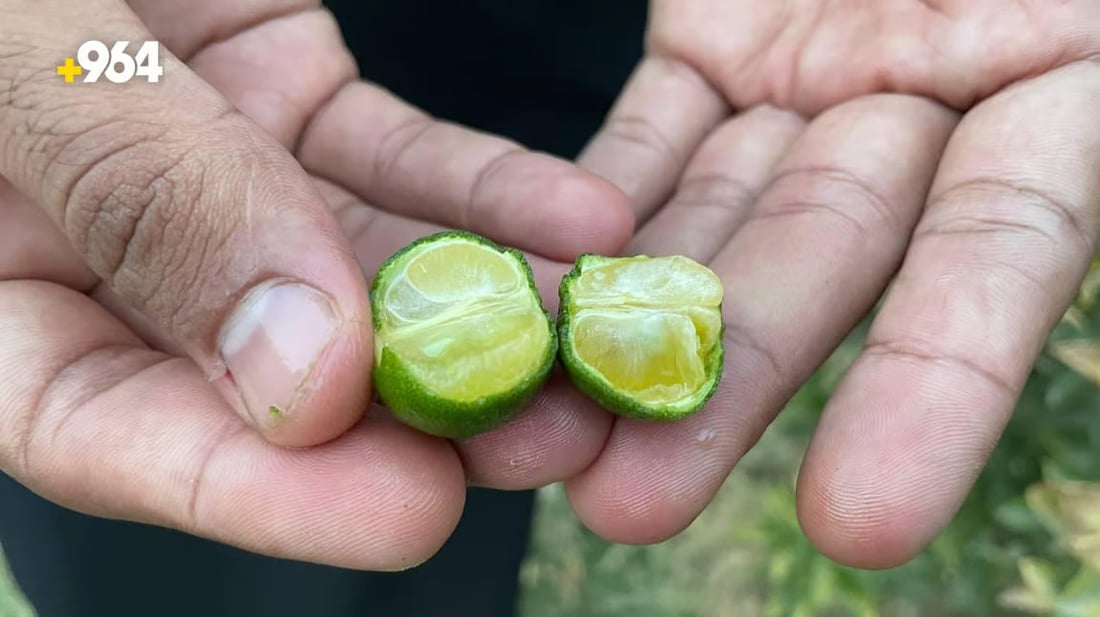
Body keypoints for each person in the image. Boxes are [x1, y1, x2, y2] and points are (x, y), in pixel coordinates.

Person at [2, 0, 1098, 615]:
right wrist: (60, 79)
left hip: (630, 41)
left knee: (443, 503)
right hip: (143, 40)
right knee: (219, 543)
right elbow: (70, 63)